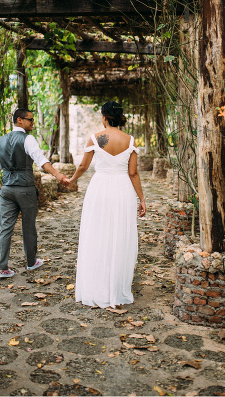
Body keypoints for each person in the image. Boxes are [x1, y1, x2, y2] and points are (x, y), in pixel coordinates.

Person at [64, 101, 147, 308]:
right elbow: (133, 173)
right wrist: (142, 198)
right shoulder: (129, 141)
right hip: (122, 190)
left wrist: (72, 180)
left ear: (104, 117)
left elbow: (83, 166)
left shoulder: (96, 138)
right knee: (119, 234)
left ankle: (97, 284)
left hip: (99, 189)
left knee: (97, 233)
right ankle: (115, 286)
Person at [0, 108, 70, 278]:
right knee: (28, 227)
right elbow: (42, 161)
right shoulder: (28, 139)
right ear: (19, 120)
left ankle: (2, 268)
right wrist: (58, 175)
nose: (33, 123)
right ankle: (31, 262)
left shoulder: (0, 141)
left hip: (6, 189)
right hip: (25, 189)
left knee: (5, 228)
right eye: (30, 120)